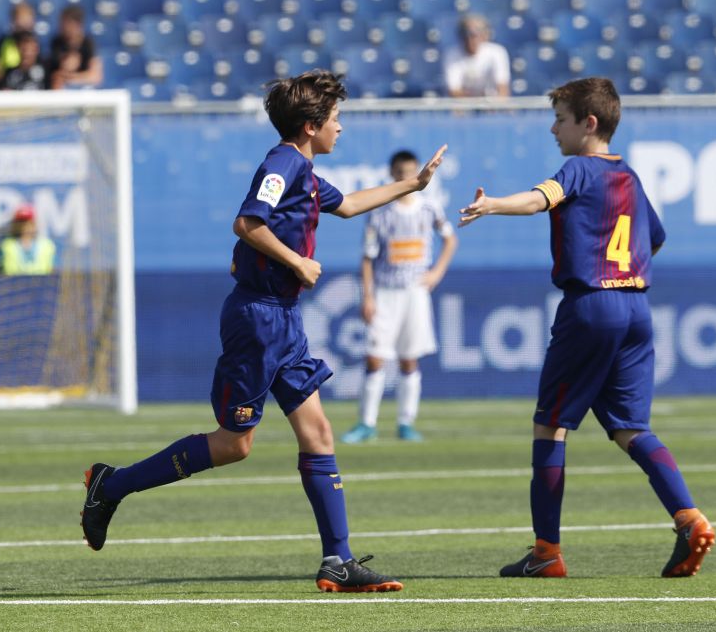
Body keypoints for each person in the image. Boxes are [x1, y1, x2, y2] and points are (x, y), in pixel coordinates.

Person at [81, 70, 447, 593]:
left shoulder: (307, 171)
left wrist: (413, 186)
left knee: (318, 432)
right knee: (235, 445)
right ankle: (110, 485)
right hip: (258, 318)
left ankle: (338, 561)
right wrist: (298, 261)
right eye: (336, 119)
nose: (340, 128)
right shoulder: (283, 162)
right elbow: (248, 223)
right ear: (309, 125)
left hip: (283, 321)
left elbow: (349, 205)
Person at [458, 77, 715, 579]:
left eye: (560, 118)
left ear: (588, 124)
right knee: (629, 428)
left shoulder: (577, 168)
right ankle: (688, 517)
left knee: (550, 426)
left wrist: (491, 205)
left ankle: (546, 553)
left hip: (591, 305)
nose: (554, 128)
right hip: (637, 308)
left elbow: (539, 199)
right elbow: (654, 238)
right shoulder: (631, 178)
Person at [340, 150, 457, 444]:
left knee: (409, 359)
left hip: (415, 292)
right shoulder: (380, 214)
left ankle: (406, 422)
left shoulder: (429, 208)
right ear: (392, 175)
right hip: (386, 292)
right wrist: (368, 297)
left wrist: (436, 272)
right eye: (401, 172)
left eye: (411, 172)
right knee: (375, 358)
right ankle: (367, 423)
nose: (407, 177)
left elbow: (450, 238)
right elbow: (367, 258)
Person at [443, 14, 511, 98]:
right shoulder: (452, 54)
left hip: (491, 104)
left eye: (474, 34)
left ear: (485, 35)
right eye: (466, 34)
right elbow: (454, 91)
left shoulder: (497, 52)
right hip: (464, 105)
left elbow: (503, 89)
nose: (470, 39)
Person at [48, 5, 102, 89]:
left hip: (84, 88)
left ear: (77, 24)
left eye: (66, 23)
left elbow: (96, 76)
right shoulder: (57, 43)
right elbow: (56, 75)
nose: (61, 27)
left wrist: (73, 78)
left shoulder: (88, 44)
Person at [0, 2, 37, 86]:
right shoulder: (4, 43)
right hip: (9, 86)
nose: (24, 24)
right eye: (20, 19)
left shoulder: (37, 42)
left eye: (27, 19)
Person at [0, 204, 56, 276]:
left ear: (34, 224)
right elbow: (9, 270)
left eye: (28, 223)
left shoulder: (47, 245)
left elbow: (47, 270)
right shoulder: (8, 245)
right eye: (21, 223)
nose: (25, 227)